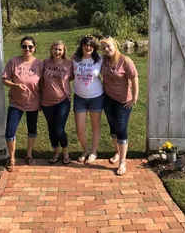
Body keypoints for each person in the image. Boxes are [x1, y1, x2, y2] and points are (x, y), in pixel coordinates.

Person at [2, 36, 43, 171]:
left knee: (32, 130)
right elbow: (4, 79)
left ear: (34, 48)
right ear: (21, 48)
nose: (27, 49)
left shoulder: (39, 64)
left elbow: (43, 83)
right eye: (24, 46)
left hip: (33, 103)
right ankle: (12, 158)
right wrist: (15, 85)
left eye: (30, 46)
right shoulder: (13, 61)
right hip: (16, 103)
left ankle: (29, 154)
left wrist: (43, 101)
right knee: (10, 132)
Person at [100, 36, 139, 175]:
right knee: (113, 126)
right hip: (108, 98)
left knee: (121, 128)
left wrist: (134, 97)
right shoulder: (104, 59)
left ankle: (123, 161)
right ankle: (117, 152)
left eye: (109, 46)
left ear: (115, 45)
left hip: (123, 101)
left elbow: (134, 78)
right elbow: (86, 55)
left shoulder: (125, 61)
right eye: (104, 48)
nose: (106, 49)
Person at [41, 40, 74, 165]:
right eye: (55, 49)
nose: (57, 52)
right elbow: (41, 81)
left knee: (59, 128)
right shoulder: (45, 63)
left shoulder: (69, 64)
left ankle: (65, 151)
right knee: (51, 127)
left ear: (64, 51)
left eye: (60, 49)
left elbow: (71, 77)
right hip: (46, 101)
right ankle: (55, 151)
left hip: (63, 100)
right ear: (51, 50)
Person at [73, 36, 104, 164]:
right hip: (79, 97)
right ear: (82, 46)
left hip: (96, 96)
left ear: (94, 47)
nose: (88, 47)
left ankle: (93, 152)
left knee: (95, 125)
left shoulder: (99, 59)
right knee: (80, 128)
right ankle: (85, 150)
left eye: (91, 45)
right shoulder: (75, 59)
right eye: (86, 44)